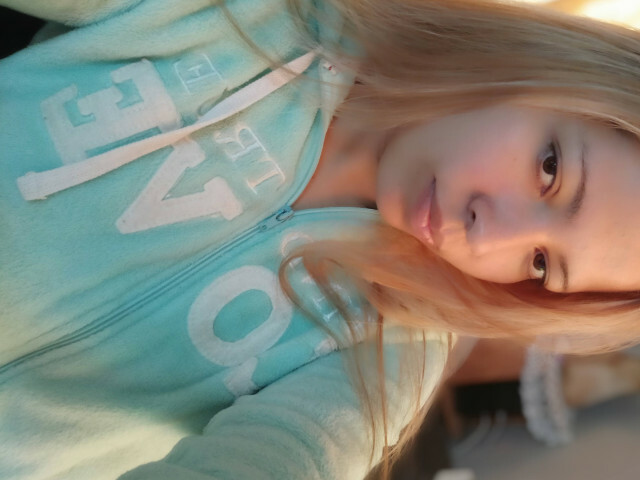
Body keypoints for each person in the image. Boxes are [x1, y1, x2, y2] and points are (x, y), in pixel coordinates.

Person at [2, 0, 640, 479]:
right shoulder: (255, 16)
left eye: (540, 264)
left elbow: (293, 455)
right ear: (543, 64)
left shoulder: (394, 349)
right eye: (551, 170)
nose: (490, 233)